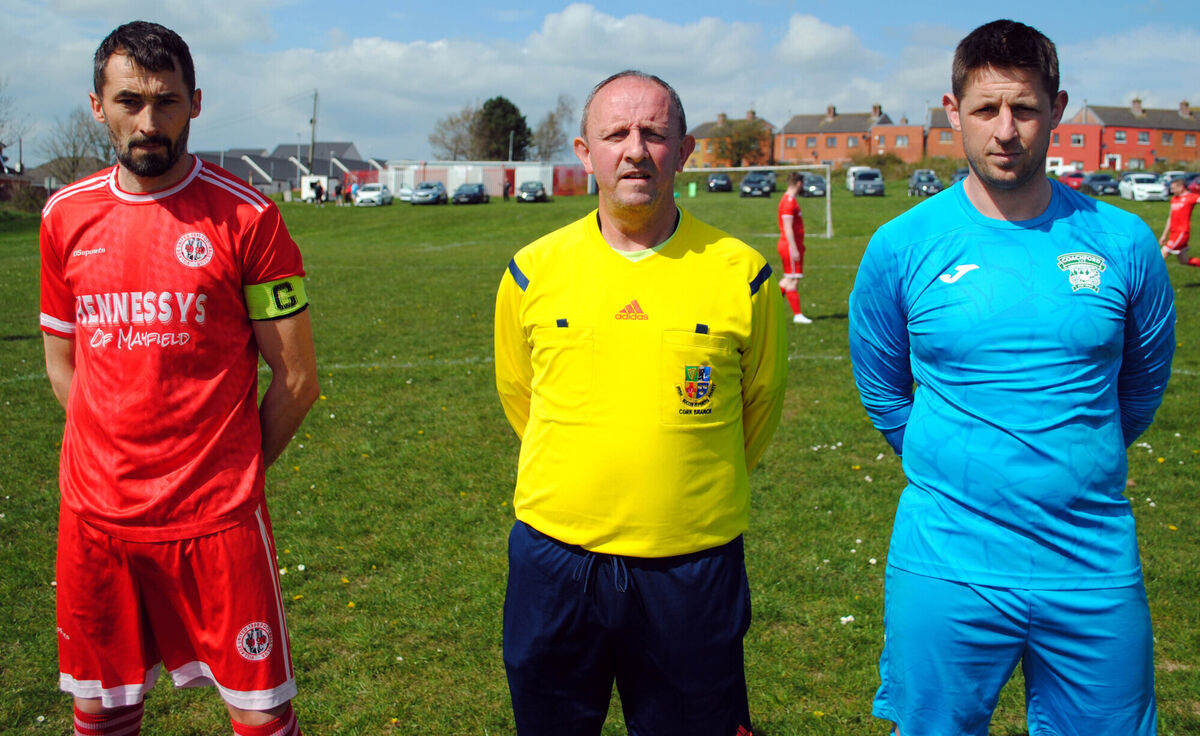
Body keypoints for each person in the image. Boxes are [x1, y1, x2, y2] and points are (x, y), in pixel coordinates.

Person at [848, 19, 1175, 736]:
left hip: (1091, 563)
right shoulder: (901, 246)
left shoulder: (1122, 242)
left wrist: (1072, 458)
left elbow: (1143, 383)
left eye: (1024, 109)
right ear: (952, 110)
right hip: (947, 561)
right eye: (986, 109)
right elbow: (882, 389)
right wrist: (953, 464)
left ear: (1056, 110)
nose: (1006, 130)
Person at [39, 21, 318, 736]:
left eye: (167, 102)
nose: (149, 122)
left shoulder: (249, 217)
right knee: (102, 708)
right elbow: (62, 360)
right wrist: (112, 454)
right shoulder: (63, 217)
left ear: (195, 103)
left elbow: (297, 378)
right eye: (130, 101)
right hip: (97, 522)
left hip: (216, 522)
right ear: (97, 106)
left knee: (259, 717)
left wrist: (230, 469)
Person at [494, 70, 788, 736]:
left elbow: (760, 404)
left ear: (683, 152)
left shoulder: (741, 272)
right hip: (556, 562)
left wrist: (682, 485)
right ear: (584, 150)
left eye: (655, 133)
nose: (635, 149)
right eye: (616, 134)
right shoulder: (531, 269)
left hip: (692, 567)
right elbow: (520, 395)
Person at [777, 171, 812, 324]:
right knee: (792, 280)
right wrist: (794, 248)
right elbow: (788, 227)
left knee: (787, 280)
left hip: (793, 245)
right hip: (790, 246)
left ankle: (769, 307)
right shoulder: (788, 202)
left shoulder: (791, 200)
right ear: (799, 183)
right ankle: (797, 315)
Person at [1160, 176, 1200, 266]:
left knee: (1162, 255)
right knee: (1184, 261)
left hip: (1182, 232)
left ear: (1181, 187)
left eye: (1173, 188)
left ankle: (1150, 279)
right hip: (1173, 233)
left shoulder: (1191, 197)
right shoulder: (1174, 199)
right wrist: (1164, 235)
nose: (1172, 191)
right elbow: (1170, 217)